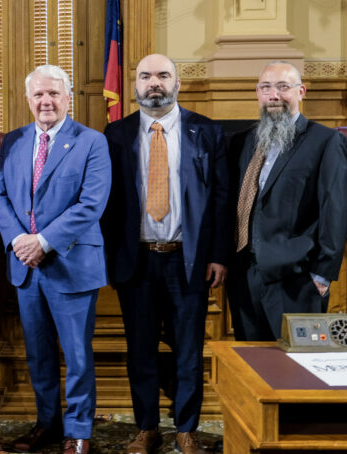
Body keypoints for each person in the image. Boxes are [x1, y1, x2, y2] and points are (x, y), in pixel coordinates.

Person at [102, 54, 229, 454]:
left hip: (186, 260)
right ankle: (146, 428)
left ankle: (186, 429)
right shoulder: (115, 134)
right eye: (145, 76)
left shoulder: (206, 132)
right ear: (135, 86)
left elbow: (222, 198)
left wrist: (219, 254)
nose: (153, 83)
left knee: (189, 350)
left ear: (177, 83)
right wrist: (108, 258)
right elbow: (107, 203)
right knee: (140, 349)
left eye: (162, 75)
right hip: (136, 260)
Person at [0, 64, 110, 454]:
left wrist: (42, 241)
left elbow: (91, 204)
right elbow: (0, 196)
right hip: (26, 267)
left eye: (54, 94)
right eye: (39, 95)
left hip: (71, 263)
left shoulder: (91, 141)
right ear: (28, 100)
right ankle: (47, 425)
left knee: (76, 355)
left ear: (67, 97)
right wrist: (19, 241)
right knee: (38, 354)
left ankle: (79, 433)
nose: (46, 101)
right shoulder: (14, 141)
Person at [228, 60, 347, 341]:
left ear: (301, 92)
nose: (274, 96)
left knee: (298, 372)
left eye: (283, 87)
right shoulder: (243, 142)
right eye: (266, 88)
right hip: (244, 276)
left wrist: (322, 276)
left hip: (296, 279)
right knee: (252, 370)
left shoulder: (325, 141)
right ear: (257, 93)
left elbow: (336, 210)